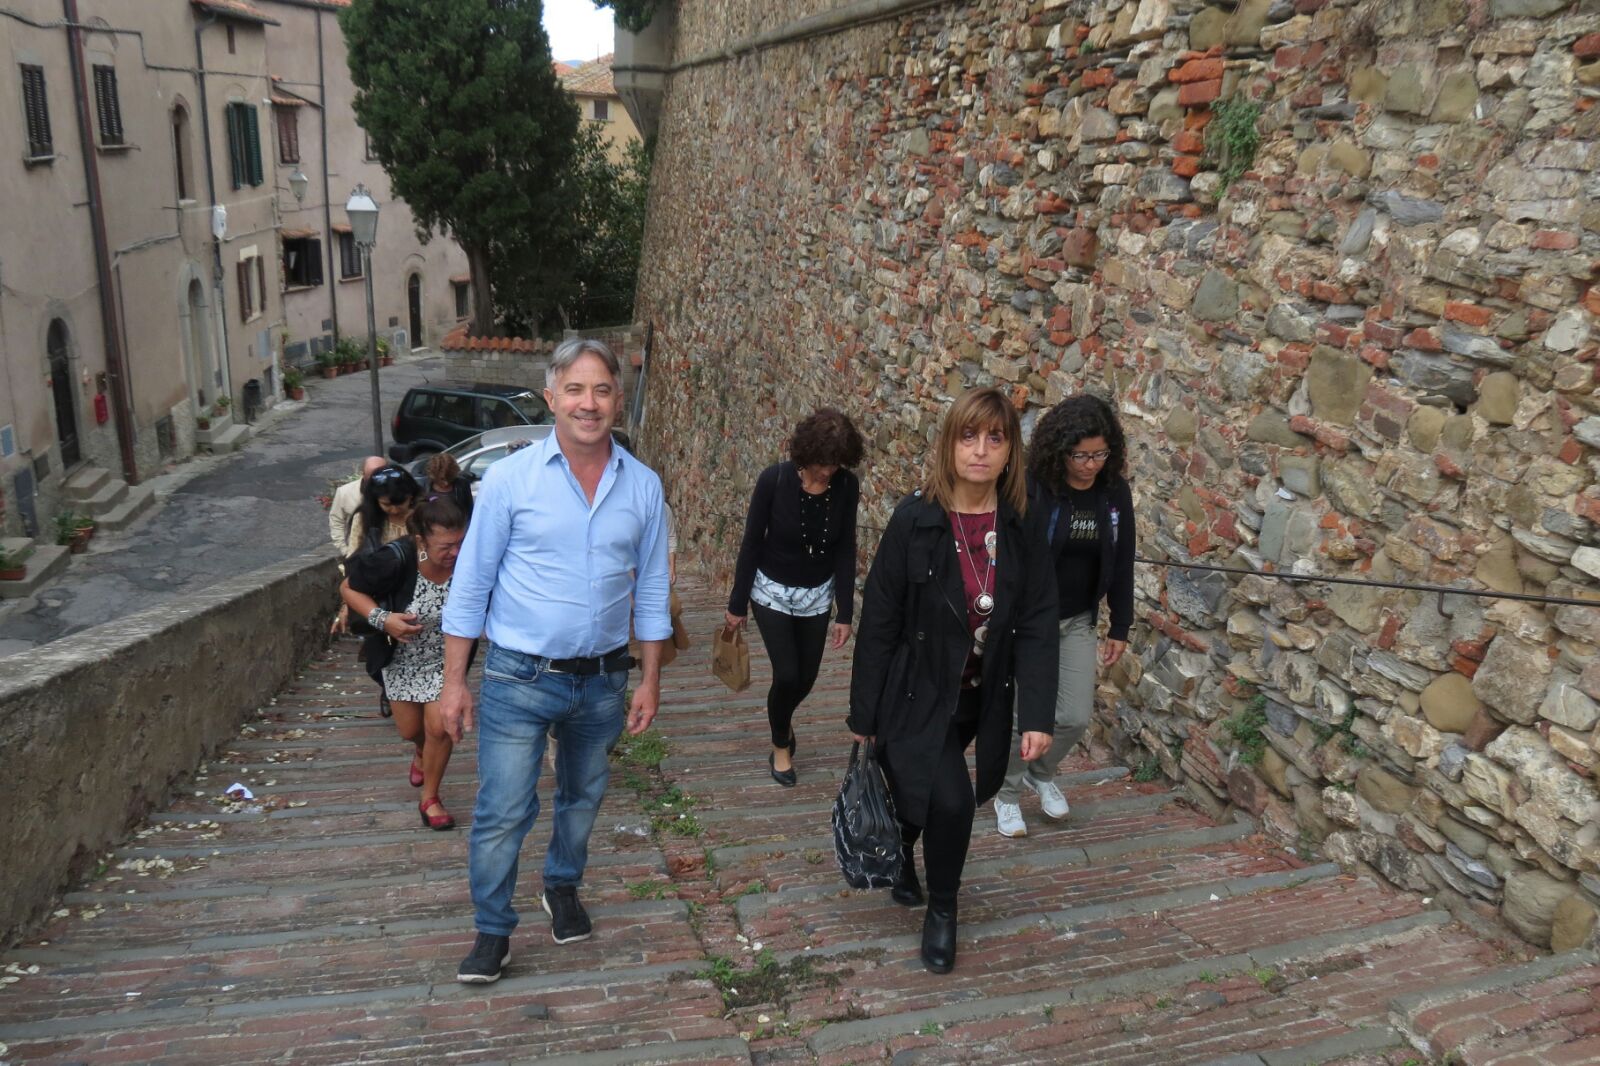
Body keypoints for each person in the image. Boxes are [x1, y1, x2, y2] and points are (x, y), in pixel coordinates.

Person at [440, 337, 670, 985]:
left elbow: (653, 589)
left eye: (601, 390)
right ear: (551, 398)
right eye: (574, 390)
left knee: (582, 797)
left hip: (603, 680)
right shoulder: (509, 481)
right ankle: (492, 931)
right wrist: (454, 682)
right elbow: (471, 585)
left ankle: (561, 885)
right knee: (503, 810)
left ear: (618, 400)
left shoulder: (643, 487)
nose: (588, 403)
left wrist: (650, 679)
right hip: (518, 676)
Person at [848, 387, 1058, 974]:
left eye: (995, 438)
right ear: (949, 444)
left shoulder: (1020, 524)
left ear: (1010, 450)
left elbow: (1038, 620)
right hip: (914, 691)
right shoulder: (914, 519)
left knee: (924, 786)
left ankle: (904, 848)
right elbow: (880, 621)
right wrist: (864, 713)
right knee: (952, 798)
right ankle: (944, 908)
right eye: (969, 436)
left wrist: (1037, 713)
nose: (981, 450)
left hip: (979, 696)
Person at [994, 393, 1135, 837]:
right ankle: (1006, 794)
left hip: (1077, 619)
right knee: (1024, 718)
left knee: (1073, 717)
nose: (1090, 465)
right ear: (1060, 450)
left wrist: (1121, 624)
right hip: (1029, 622)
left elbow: (1123, 560)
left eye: (1099, 454)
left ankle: (1040, 774)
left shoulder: (1113, 493)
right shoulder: (1033, 488)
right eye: (1081, 456)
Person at [726, 409, 865, 786]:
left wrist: (845, 612)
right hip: (770, 591)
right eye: (822, 463)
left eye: (836, 464)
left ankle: (781, 718)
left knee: (806, 678)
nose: (828, 472)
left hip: (817, 596)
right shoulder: (773, 480)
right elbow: (751, 543)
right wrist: (737, 603)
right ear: (806, 454)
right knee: (786, 673)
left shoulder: (847, 486)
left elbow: (846, 548)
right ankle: (781, 745)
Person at [341, 495, 469, 829]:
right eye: (446, 546)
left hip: (445, 659)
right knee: (411, 730)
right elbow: (349, 588)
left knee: (440, 727)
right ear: (421, 541)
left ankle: (430, 798)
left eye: (460, 542)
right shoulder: (394, 558)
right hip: (400, 659)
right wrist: (383, 619)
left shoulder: (469, 560)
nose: (456, 553)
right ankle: (421, 751)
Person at [349, 464, 422, 557]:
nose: (395, 510)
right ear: (375, 500)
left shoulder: (423, 513)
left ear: (411, 496)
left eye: (400, 503)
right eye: (387, 505)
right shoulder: (363, 518)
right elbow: (353, 554)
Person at [328, 455, 387, 559]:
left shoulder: (396, 492)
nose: (375, 481)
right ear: (363, 474)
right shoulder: (344, 493)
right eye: (371, 477)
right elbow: (336, 520)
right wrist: (344, 549)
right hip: (356, 553)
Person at [425, 452, 475, 523]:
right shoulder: (426, 487)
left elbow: (470, 510)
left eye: (450, 478)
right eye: (442, 479)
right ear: (434, 475)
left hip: (460, 525)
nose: (446, 483)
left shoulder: (462, 484)